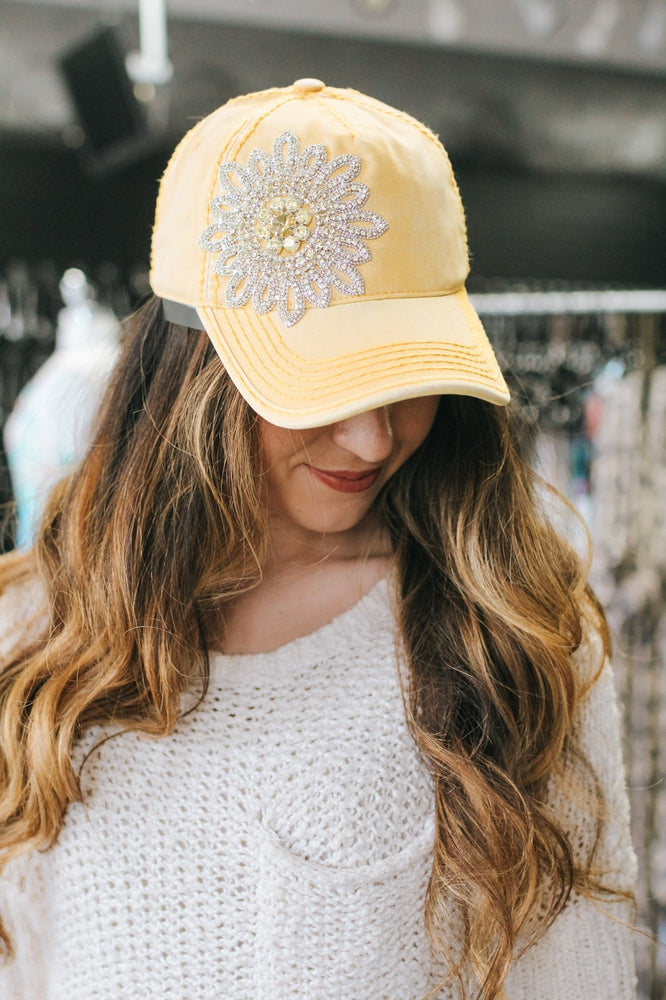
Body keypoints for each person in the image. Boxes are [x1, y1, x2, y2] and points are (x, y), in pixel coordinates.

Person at [0, 79, 637, 1000]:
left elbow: (582, 972)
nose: (374, 440)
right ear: (194, 373)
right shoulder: (31, 636)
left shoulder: (511, 637)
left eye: (411, 374)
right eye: (325, 385)